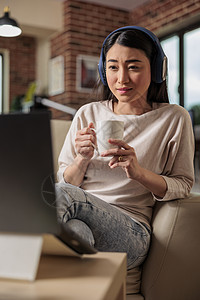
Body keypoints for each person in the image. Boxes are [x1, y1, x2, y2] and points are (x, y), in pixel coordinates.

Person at [55, 25, 194, 285]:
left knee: (55, 195)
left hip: (131, 232)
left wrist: (139, 173)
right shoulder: (87, 113)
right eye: (113, 67)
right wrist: (81, 159)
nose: (121, 79)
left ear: (156, 69)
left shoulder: (174, 118)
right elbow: (67, 181)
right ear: (103, 70)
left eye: (133, 66)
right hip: (80, 213)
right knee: (76, 232)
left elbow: (183, 185)